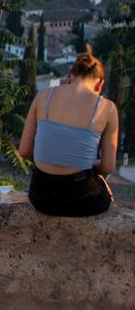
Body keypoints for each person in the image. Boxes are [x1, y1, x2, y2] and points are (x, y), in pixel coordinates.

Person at [18, 46, 118, 217]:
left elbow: (25, 151)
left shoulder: (43, 95)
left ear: (69, 78)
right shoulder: (107, 108)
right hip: (82, 200)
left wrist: (50, 161)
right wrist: (89, 165)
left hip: (41, 197)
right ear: (100, 84)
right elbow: (108, 166)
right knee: (103, 187)